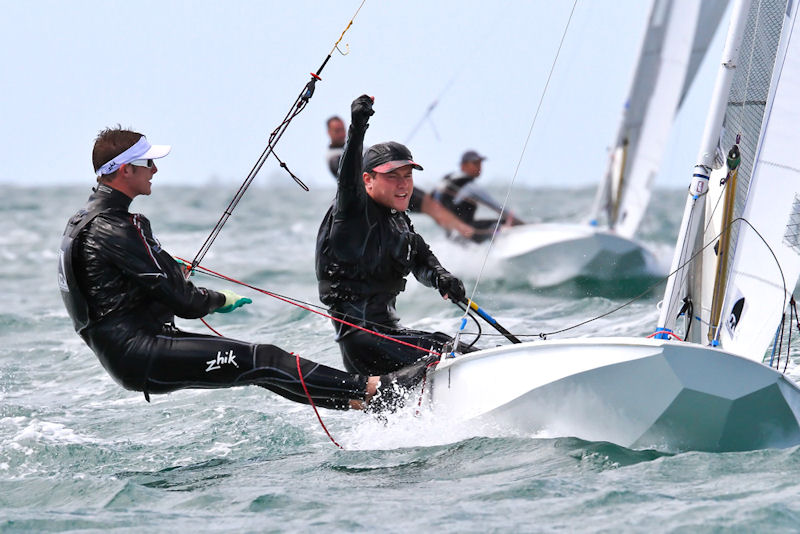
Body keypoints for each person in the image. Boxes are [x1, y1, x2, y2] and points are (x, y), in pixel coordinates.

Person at [58, 126, 432, 412]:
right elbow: (184, 302)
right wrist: (219, 298)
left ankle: (364, 400)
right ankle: (374, 391)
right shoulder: (118, 227)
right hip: (139, 352)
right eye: (147, 163)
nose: (154, 169)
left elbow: (117, 284)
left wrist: (166, 269)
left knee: (261, 365)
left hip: (130, 351)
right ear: (124, 170)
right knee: (264, 359)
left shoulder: (87, 220)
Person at [316, 95, 475, 376]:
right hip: (364, 344)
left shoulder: (397, 219)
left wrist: (440, 276)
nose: (403, 185)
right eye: (392, 176)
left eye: (408, 176)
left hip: (391, 336)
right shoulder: (352, 215)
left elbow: (421, 258)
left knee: (444, 342)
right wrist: (357, 127)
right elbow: (347, 179)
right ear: (368, 180)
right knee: (450, 352)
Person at [325, 115, 475, 239]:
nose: (342, 133)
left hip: (393, 179)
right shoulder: (334, 157)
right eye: (337, 130)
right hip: (381, 192)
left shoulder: (352, 147)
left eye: (342, 129)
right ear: (329, 133)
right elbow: (350, 175)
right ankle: (467, 233)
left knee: (430, 203)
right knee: (429, 206)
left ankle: (459, 233)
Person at [434, 150, 525, 243]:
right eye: (475, 163)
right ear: (463, 166)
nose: (479, 167)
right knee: (502, 223)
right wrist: (522, 224)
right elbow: (497, 207)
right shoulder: (469, 186)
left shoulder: (448, 179)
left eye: (480, 163)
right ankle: (501, 240)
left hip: (451, 234)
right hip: (466, 232)